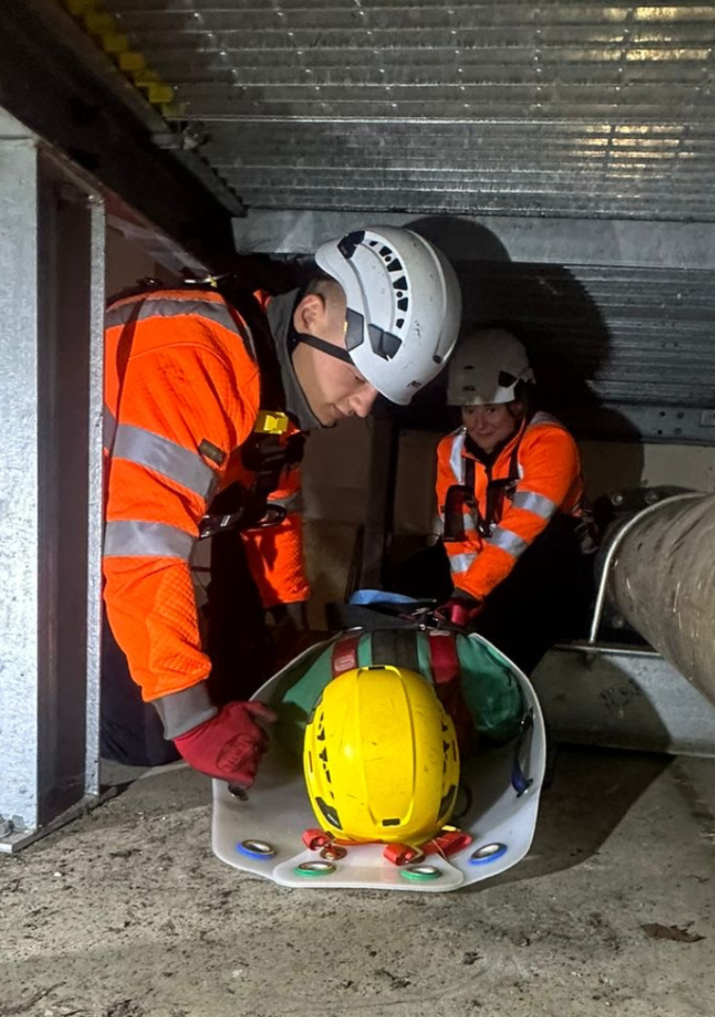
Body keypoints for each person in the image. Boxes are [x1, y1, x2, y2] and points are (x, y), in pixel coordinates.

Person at [101, 226, 461, 787]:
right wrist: (191, 719)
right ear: (311, 314)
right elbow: (142, 546)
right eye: (362, 376)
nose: (364, 406)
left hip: (98, 539)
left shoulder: (275, 394)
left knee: (247, 681)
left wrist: (291, 625)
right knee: (148, 736)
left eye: (380, 391)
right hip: (39, 540)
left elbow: (269, 511)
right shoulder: (194, 357)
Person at [427, 327, 591, 672]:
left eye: (491, 410)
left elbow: (520, 531)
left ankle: (508, 684)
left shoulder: (549, 442)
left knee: (545, 551)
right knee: (415, 575)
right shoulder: (450, 451)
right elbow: (458, 534)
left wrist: (471, 594)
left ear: (518, 403)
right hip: (490, 570)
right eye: (469, 411)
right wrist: (464, 599)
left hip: (550, 570)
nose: (479, 423)